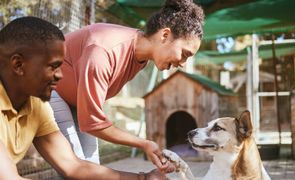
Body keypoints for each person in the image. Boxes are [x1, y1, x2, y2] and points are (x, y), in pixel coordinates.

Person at [0, 16, 171, 179]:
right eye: (52, 67)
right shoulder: (102, 50)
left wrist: (145, 178)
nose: (60, 76)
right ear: (18, 65)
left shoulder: (36, 106)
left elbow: (74, 167)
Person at [50, 0, 204, 168]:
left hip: (76, 103)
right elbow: (93, 123)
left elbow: (91, 120)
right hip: (49, 89)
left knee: (91, 166)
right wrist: (143, 144)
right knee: (76, 168)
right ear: (165, 35)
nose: (182, 63)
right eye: (184, 54)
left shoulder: (141, 57)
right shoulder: (103, 51)